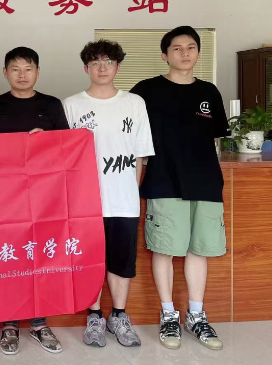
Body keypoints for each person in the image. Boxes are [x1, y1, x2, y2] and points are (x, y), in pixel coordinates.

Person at [130, 26, 228, 351]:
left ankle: (196, 315)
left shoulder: (209, 92)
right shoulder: (146, 90)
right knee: (165, 249)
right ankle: (168, 314)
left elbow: (215, 138)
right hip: (164, 180)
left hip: (206, 181)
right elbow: (129, 134)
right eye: (177, 48)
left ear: (198, 52)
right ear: (164, 54)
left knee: (200, 249)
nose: (184, 53)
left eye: (191, 47)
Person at [63, 39, 154, 349]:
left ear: (118, 66)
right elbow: (63, 156)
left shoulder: (135, 103)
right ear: (86, 68)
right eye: (95, 62)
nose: (102, 68)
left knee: (121, 262)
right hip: (84, 202)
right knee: (89, 260)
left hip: (123, 200)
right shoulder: (70, 105)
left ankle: (119, 316)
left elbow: (140, 155)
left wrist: (131, 191)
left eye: (108, 62)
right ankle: (94, 317)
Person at [0, 46, 67, 355]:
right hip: (3, 195)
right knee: (8, 257)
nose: (22, 74)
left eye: (28, 69)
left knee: (39, 257)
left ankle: (39, 322)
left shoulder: (52, 105)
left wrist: (47, 141)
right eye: (15, 69)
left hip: (43, 197)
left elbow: (67, 147)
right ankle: (9, 324)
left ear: (37, 73)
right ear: (5, 73)